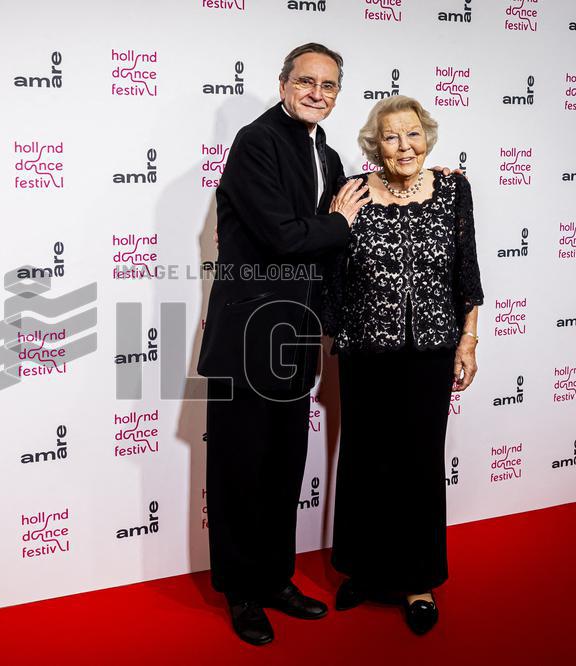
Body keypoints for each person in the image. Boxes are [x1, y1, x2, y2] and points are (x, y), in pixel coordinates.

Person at [197, 42, 369, 646]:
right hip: (249, 330)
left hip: (296, 335)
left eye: (329, 85)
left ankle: (274, 579)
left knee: (283, 466)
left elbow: (359, 217)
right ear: (283, 82)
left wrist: (432, 182)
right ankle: (241, 591)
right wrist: (339, 225)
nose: (317, 93)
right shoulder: (257, 140)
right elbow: (281, 234)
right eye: (306, 81)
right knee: (240, 468)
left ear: (337, 94)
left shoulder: (326, 150)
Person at [324, 95, 484, 635]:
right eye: (391, 136)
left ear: (428, 137)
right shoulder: (352, 193)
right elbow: (333, 269)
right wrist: (338, 331)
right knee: (366, 459)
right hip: (367, 350)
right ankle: (364, 571)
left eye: (412, 134)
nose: (404, 146)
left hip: (431, 351)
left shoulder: (453, 190)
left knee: (417, 463)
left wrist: (469, 340)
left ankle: (418, 581)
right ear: (376, 145)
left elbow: (468, 272)